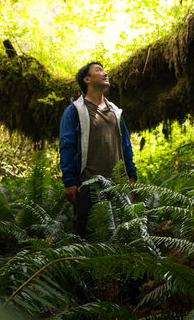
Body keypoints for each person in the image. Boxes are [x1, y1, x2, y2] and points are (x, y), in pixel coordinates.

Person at [58, 61, 137, 238]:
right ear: (87, 79)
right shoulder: (74, 111)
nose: (105, 73)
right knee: (87, 238)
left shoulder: (115, 112)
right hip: (87, 187)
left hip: (119, 186)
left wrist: (131, 175)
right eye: (99, 70)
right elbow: (67, 146)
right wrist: (69, 182)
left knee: (123, 238)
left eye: (104, 70)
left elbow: (126, 145)